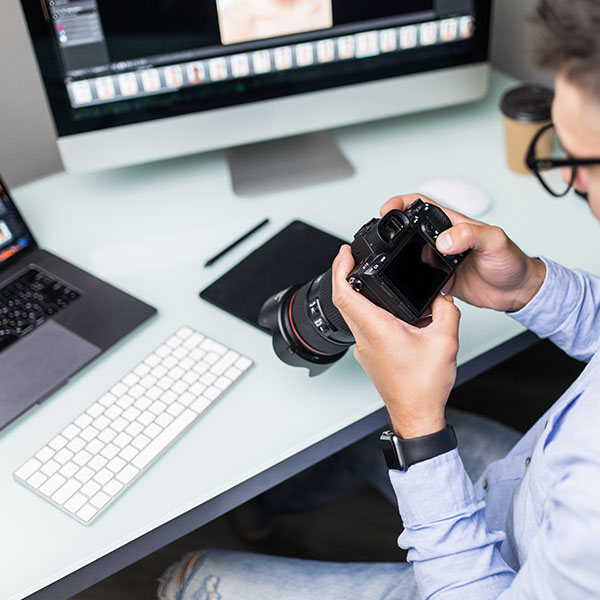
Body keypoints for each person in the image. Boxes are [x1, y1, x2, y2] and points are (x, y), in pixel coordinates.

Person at [158, 1, 600, 597]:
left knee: (193, 578)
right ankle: (265, 507)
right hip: (529, 490)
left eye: (582, 162)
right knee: (369, 443)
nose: (571, 181)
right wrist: (527, 285)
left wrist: (418, 425)